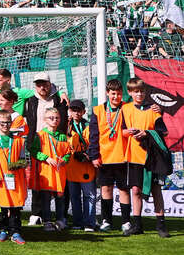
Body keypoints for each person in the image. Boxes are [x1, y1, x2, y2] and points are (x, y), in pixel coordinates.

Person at [121, 77, 169, 237]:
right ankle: (137, 225)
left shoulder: (154, 109)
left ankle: (161, 225)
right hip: (134, 156)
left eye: (142, 91)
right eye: (136, 91)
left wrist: (147, 133)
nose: (139, 94)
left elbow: (164, 132)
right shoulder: (125, 109)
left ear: (145, 92)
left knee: (156, 189)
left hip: (151, 157)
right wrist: (129, 132)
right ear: (130, 92)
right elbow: (121, 131)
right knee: (136, 190)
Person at [88, 79, 130, 232]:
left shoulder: (127, 108)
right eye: (113, 94)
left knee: (124, 189)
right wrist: (94, 155)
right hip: (104, 157)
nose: (116, 97)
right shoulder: (98, 110)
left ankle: (126, 221)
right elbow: (93, 135)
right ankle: (107, 221)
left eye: (118, 94)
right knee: (106, 188)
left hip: (123, 156)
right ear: (107, 93)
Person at [0, 110, 29, 244]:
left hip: (15, 179)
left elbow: (24, 160)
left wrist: (17, 165)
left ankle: (15, 232)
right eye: (2, 123)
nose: (5, 125)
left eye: (8, 122)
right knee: (2, 206)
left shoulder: (19, 140)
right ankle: (3, 230)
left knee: (15, 206)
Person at [31, 109, 70, 231]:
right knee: (46, 198)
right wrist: (46, 158)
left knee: (60, 197)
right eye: (51, 118)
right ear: (45, 120)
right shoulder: (40, 135)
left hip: (60, 172)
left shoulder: (63, 136)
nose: (54, 120)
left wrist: (64, 159)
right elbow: (33, 151)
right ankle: (47, 221)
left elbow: (68, 152)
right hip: (46, 172)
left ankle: (60, 220)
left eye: (57, 118)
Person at [64, 100, 96, 232]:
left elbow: (94, 142)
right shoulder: (66, 126)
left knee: (89, 196)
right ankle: (77, 222)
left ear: (83, 112)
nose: (76, 113)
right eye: (73, 110)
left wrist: (88, 154)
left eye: (79, 110)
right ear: (70, 111)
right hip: (71, 165)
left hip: (86, 165)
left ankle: (89, 223)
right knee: (74, 196)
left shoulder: (89, 126)